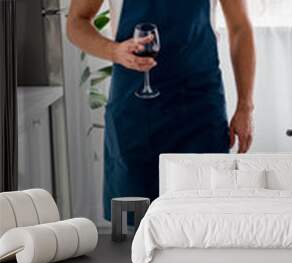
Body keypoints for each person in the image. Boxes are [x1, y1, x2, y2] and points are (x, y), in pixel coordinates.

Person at [67, 0, 256, 221]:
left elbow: (240, 27)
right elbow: (76, 22)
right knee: (133, 228)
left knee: (206, 220)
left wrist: (245, 106)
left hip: (200, 111)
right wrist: (115, 51)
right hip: (135, 114)